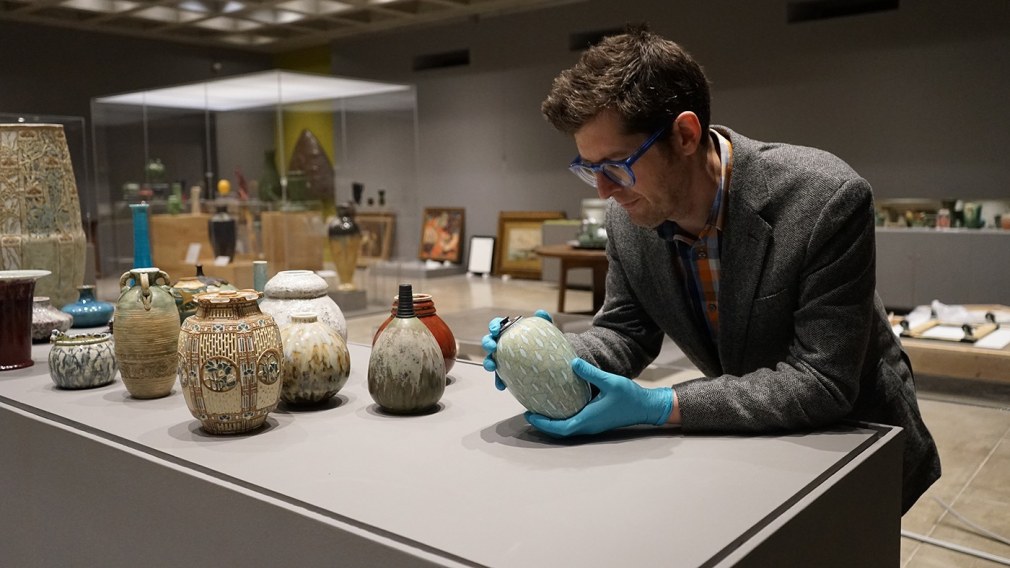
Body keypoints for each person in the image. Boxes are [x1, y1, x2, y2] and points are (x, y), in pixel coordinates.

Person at [482, 25, 940, 514]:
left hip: (854, 443)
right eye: (588, 167)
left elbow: (822, 380)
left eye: (616, 165)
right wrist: (551, 353)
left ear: (684, 135)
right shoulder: (629, 218)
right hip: (754, 438)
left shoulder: (824, 199)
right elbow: (625, 331)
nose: (603, 192)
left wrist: (660, 407)